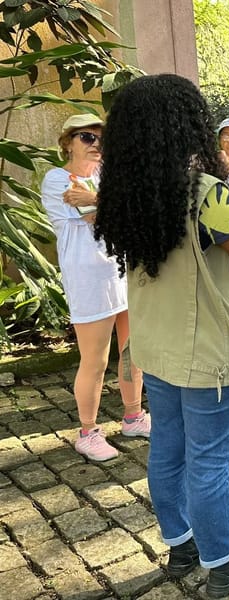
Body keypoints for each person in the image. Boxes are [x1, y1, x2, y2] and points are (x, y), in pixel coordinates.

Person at [94, 74, 229, 597]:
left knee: (169, 452)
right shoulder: (205, 196)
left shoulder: (127, 196)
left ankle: (181, 545)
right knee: (209, 462)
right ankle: (223, 561)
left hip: (160, 350)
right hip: (211, 356)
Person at [41, 114, 148, 462]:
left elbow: (130, 212)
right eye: (87, 137)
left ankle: (133, 415)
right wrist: (107, 204)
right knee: (96, 360)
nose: (97, 145)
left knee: (135, 351)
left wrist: (96, 200)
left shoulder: (105, 176)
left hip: (122, 274)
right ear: (68, 142)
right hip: (88, 281)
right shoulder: (56, 180)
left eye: (102, 138)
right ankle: (87, 431)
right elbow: (102, 213)